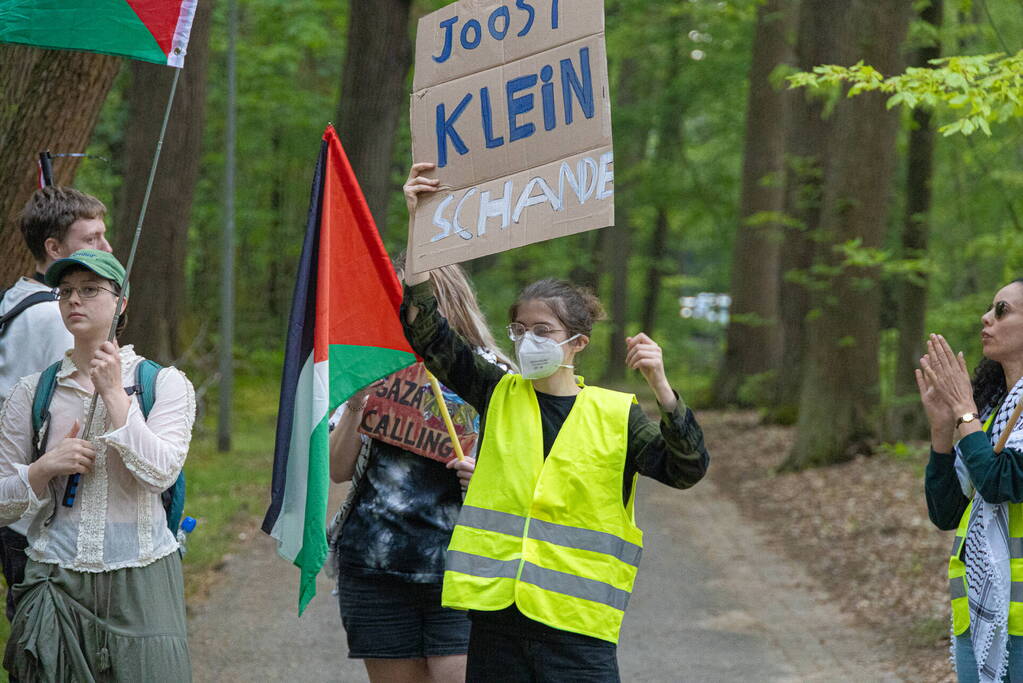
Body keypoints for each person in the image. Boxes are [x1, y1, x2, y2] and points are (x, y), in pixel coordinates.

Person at [401, 162, 710, 682]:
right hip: (497, 618)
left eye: (542, 330)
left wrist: (663, 390)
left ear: (577, 343)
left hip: (578, 630)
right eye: (519, 330)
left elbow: (687, 470)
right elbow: (428, 335)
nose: (527, 342)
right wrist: (420, 229)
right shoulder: (497, 391)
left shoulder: (618, 415)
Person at [0, 249, 194, 680]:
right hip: (54, 578)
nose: (74, 300)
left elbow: (161, 473)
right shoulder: (32, 393)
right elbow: (2, 504)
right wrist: (43, 468)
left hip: (142, 581)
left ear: (121, 302)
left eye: (90, 290)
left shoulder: (163, 384)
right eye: (66, 291)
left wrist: (115, 398)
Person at [328, 256, 513, 683]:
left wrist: (484, 476)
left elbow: (523, 476)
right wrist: (357, 404)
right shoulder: (373, 366)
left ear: (441, 300)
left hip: (463, 568)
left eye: (406, 300)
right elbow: (339, 470)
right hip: (375, 567)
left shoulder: (491, 374)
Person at [0, 186, 113, 623]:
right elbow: (76, 404)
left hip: (17, 506)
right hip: (41, 515)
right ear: (53, 247)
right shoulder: (56, 314)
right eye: (92, 238)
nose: (106, 247)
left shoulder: (15, 298)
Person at [920, 279, 1023, 683]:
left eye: (1002, 310)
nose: (986, 317)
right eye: (989, 307)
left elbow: (1001, 482)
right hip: (980, 616)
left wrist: (964, 409)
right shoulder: (995, 409)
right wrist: (943, 430)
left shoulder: (977, 415)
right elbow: (947, 512)